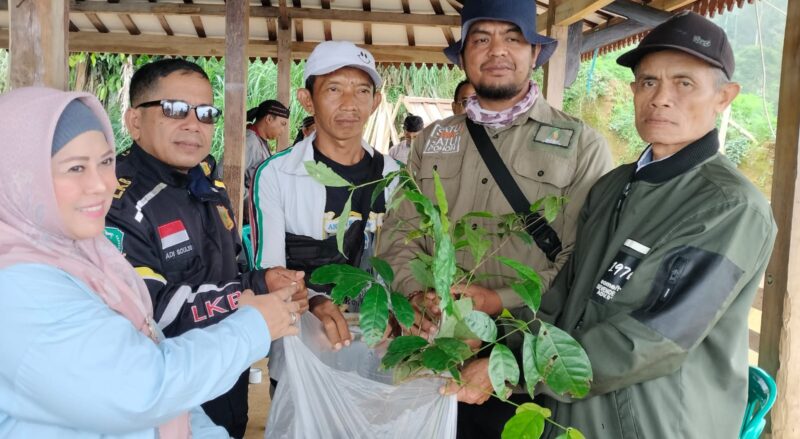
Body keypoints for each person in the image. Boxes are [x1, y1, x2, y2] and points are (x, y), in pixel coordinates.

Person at [464, 11, 776, 438]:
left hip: (655, 423)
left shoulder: (730, 206)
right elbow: (562, 297)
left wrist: (513, 370)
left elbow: (654, 340)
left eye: (684, 83)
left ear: (724, 97)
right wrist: (497, 346)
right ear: (633, 91)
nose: (661, 98)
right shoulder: (613, 186)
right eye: (648, 82)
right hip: (574, 415)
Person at [0, 86, 302, 438]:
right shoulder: (17, 288)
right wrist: (252, 323)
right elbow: (144, 389)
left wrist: (257, 285)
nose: (100, 184)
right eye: (75, 167)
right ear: (18, 177)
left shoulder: (85, 251)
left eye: (105, 162)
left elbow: (151, 344)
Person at [377, 0, 612, 436]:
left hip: (524, 370)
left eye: (513, 38)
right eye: (481, 39)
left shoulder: (582, 145)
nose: (497, 50)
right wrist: (417, 297)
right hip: (434, 360)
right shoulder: (432, 140)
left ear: (535, 53)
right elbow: (399, 232)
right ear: (464, 55)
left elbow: (583, 261)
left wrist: (496, 303)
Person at [105, 59, 307, 438]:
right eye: (175, 110)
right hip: (170, 394)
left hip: (228, 371)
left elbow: (228, 274)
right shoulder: (119, 203)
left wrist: (262, 281)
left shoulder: (208, 188)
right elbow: (147, 313)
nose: (193, 124)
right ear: (134, 121)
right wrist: (242, 305)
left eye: (206, 113)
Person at [250, 41, 399, 350]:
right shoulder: (277, 174)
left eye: (361, 91)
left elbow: (406, 263)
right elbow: (271, 272)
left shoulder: (396, 177)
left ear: (375, 102)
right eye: (333, 89)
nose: (349, 104)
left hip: (380, 346)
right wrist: (315, 299)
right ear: (307, 100)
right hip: (306, 346)